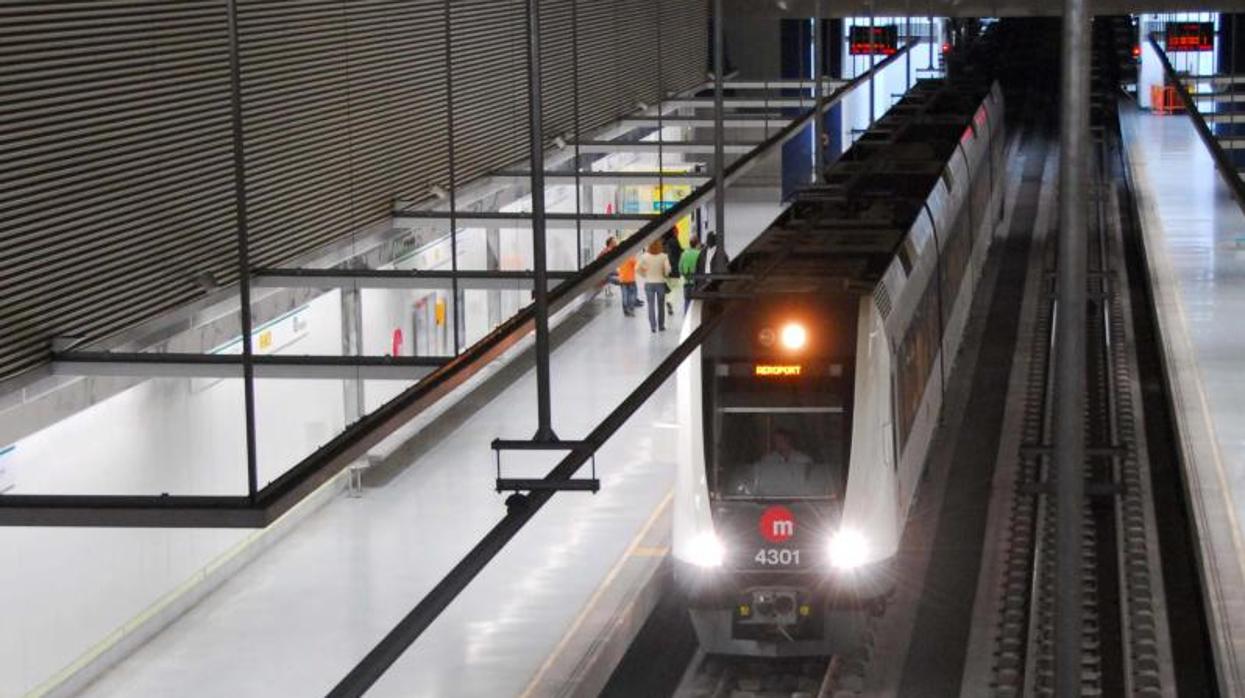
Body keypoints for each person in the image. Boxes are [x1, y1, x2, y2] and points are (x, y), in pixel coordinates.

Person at [732, 428, 819, 497]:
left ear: (788, 440)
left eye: (780, 440)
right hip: (772, 500)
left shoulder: (804, 460)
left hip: (798, 501)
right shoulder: (767, 460)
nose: (777, 443)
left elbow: (810, 483)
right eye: (775, 441)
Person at [636, 239, 672, 332]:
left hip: (649, 283)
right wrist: (664, 274)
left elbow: (637, 269)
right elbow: (668, 270)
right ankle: (661, 326)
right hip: (660, 283)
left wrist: (645, 275)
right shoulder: (664, 256)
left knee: (651, 305)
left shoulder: (644, 256)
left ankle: (653, 326)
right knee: (661, 306)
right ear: (660, 245)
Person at [678, 235, 702, 314]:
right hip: (697, 283)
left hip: (687, 282)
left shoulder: (684, 254)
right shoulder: (700, 254)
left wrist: (684, 275)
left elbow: (680, 268)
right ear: (697, 244)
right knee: (697, 305)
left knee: (687, 303)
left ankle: (686, 321)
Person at [662, 230, 683, 317]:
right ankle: (669, 302)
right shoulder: (674, 241)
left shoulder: (662, 242)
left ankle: (668, 303)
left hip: (664, 269)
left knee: (667, 288)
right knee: (675, 287)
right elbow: (681, 251)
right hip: (674, 268)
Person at [617, 248, 639, 317]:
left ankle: (625, 310)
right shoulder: (631, 257)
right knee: (632, 295)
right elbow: (637, 265)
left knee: (624, 295)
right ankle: (631, 309)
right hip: (630, 280)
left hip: (622, 279)